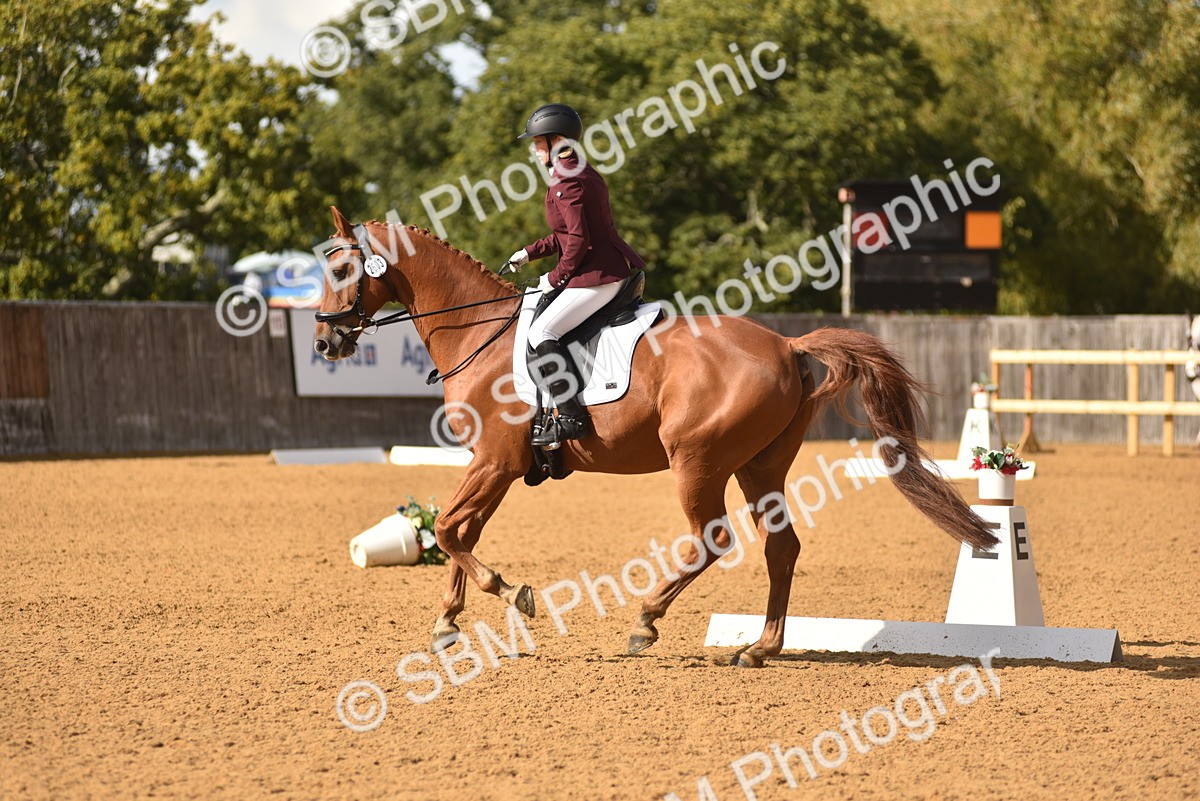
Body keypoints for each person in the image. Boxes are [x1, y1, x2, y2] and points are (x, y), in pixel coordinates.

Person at [507, 103, 646, 448]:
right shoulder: (580, 172)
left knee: (542, 330)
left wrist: (555, 278)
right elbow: (567, 234)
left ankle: (571, 417)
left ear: (555, 141)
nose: (534, 149)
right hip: (605, 267)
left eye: (538, 142)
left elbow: (579, 241)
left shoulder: (565, 181)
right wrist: (530, 252)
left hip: (597, 276)